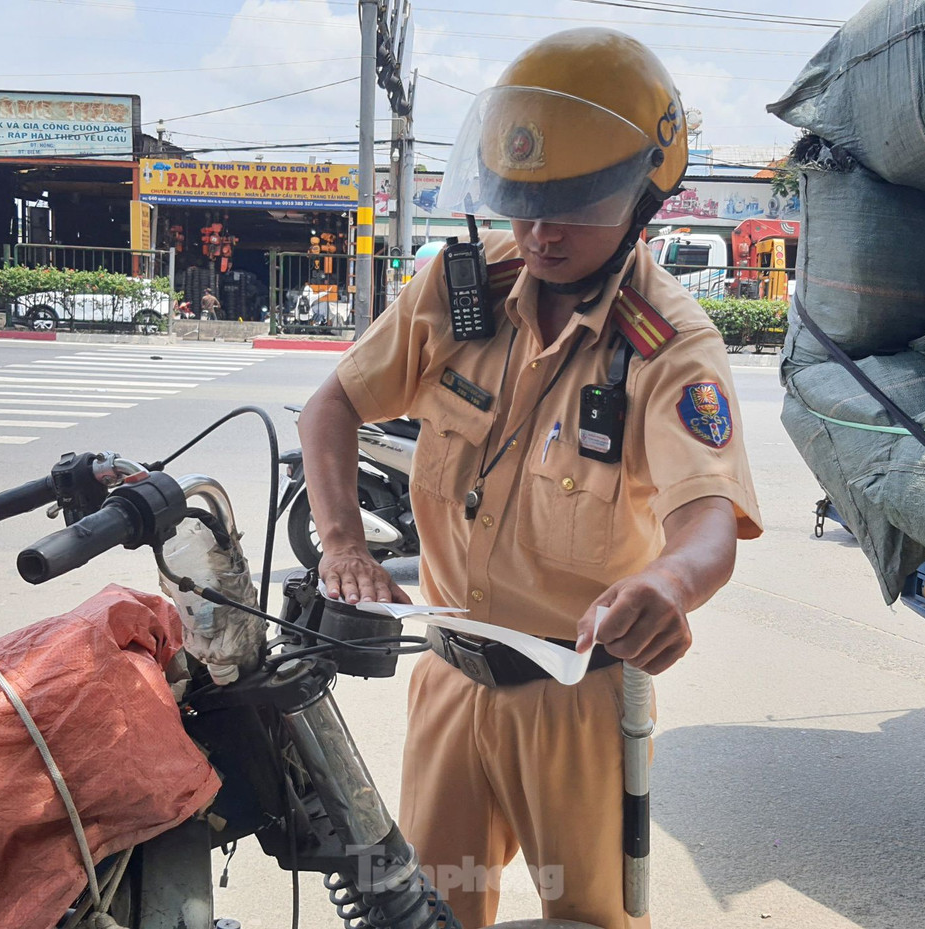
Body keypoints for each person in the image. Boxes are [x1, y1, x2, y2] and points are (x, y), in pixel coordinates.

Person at [298, 27, 762, 929]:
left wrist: (669, 582)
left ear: (642, 198)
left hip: (576, 709)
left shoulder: (667, 346)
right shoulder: (460, 289)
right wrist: (344, 544)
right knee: (426, 912)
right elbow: (331, 408)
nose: (540, 232)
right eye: (523, 201)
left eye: (573, 205)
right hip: (447, 680)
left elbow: (708, 518)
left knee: (585, 920)